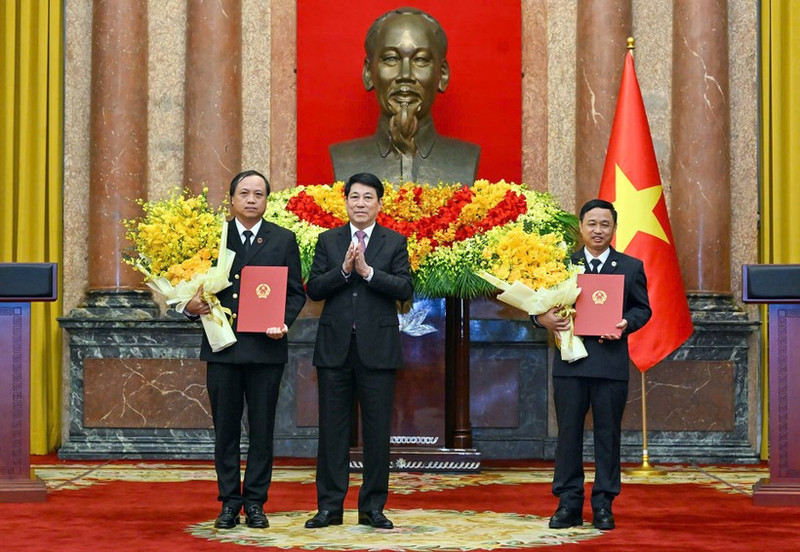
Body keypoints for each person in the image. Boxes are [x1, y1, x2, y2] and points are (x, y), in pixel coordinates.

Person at [185, 170, 306, 530]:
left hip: (266, 350)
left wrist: (281, 321)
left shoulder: (282, 239)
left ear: (267, 201)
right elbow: (190, 285)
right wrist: (189, 307)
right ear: (232, 198)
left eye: (259, 194)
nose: (252, 199)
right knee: (225, 430)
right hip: (222, 348)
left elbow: (296, 292)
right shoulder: (212, 237)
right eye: (244, 193)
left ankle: (255, 502)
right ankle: (228, 502)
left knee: (262, 429)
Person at [531, 199, 651, 531]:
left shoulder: (630, 267)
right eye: (592, 224)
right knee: (568, 435)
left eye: (605, 224)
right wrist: (543, 319)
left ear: (614, 229)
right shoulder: (560, 266)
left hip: (610, 366)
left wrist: (626, 322)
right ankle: (568, 502)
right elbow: (535, 307)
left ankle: (603, 503)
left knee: (607, 435)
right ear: (581, 227)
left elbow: (643, 309)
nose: (598, 230)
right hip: (570, 366)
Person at [304, 172, 414, 530]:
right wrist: (344, 270)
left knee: (377, 432)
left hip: (378, 350)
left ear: (380, 204)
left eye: (368, 198)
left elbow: (404, 288)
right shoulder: (329, 240)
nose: (361, 204)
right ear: (345, 201)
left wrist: (367, 272)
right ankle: (329, 507)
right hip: (335, 350)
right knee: (332, 432)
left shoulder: (394, 242)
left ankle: (372, 507)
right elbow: (315, 289)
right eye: (355, 197)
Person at [329, 7, 480, 185]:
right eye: (391, 59)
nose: (405, 75)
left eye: (421, 60)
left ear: (442, 74)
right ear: (369, 73)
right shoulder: (344, 159)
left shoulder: (465, 159)